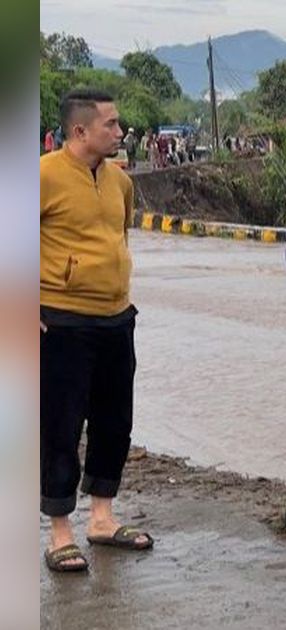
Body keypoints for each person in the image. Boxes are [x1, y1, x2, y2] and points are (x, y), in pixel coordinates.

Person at [40, 89, 152, 573]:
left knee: (114, 421)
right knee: (60, 427)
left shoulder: (119, 182)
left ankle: (102, 519)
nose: (120, 131)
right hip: (60, 320)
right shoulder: (41, 176)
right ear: (80, 130)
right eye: (111, 124)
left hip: (115, 317)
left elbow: (119, 236)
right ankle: (60, 531)